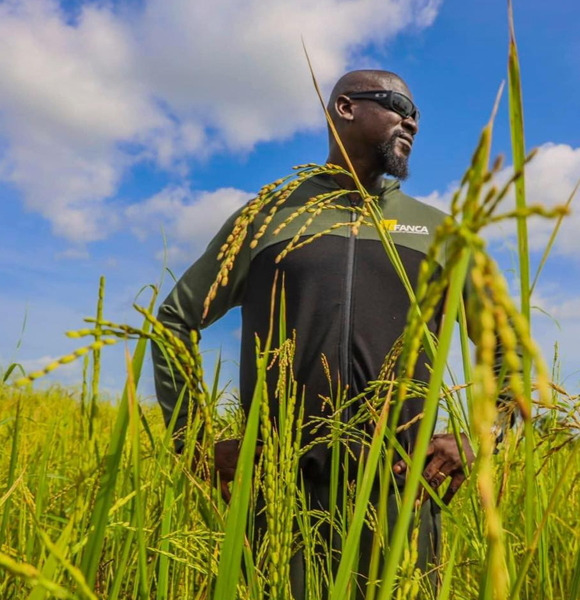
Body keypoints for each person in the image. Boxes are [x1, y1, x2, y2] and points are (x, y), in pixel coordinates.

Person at [152, 69, 497, 596]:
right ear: (345, 108)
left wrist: (483, 434)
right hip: (280, 496)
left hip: (401, 495)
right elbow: (174, 319)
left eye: (417, 115)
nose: (412, 122)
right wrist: (193, 442)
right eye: (397, 104)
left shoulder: (440, 233)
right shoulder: (267, 217)